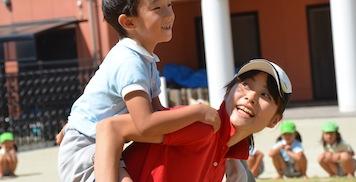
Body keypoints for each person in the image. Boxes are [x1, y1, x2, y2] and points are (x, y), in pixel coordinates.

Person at [57, 0, 221, 182]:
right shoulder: (130, 62)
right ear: (129, 22)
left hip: (103, 142)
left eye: (169, 5)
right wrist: (198, 112)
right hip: (85, 147)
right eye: (157, 8)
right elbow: (146, 123)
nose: (169, 14)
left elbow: (158, 114)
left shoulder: (145, 59)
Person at [96, 58, 292, 181]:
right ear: (227, 92)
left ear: (275, 120)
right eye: (246, 84)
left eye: (266, 95)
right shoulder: (201, 127)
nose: (251, 97)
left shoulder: (226, 157)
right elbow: (109, 128)